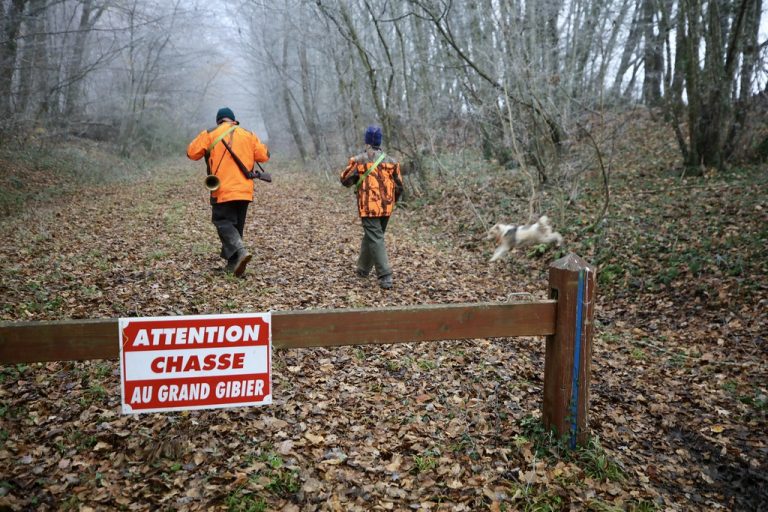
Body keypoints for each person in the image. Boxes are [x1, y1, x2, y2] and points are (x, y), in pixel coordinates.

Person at [187, 107, 270, 277]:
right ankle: (234, 266)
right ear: (233, 120)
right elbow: (264, 156)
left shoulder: (210, 133)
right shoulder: (248, 134)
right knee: (236, 227)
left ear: (219, 120)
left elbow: (191, 153)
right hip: (245, 190)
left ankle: (240, 251)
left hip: (222, 189)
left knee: (222, 221)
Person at [340, 125, 403, 289]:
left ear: (367, 141)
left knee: (375, 237)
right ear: (379, 142)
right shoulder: (392, 162)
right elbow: (399, 186)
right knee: (373, 236)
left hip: (369, 207)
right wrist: (391, 201)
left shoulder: (359, 161)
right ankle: (362, 269)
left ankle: (385, 275)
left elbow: (345, 180)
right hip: (387, 206)